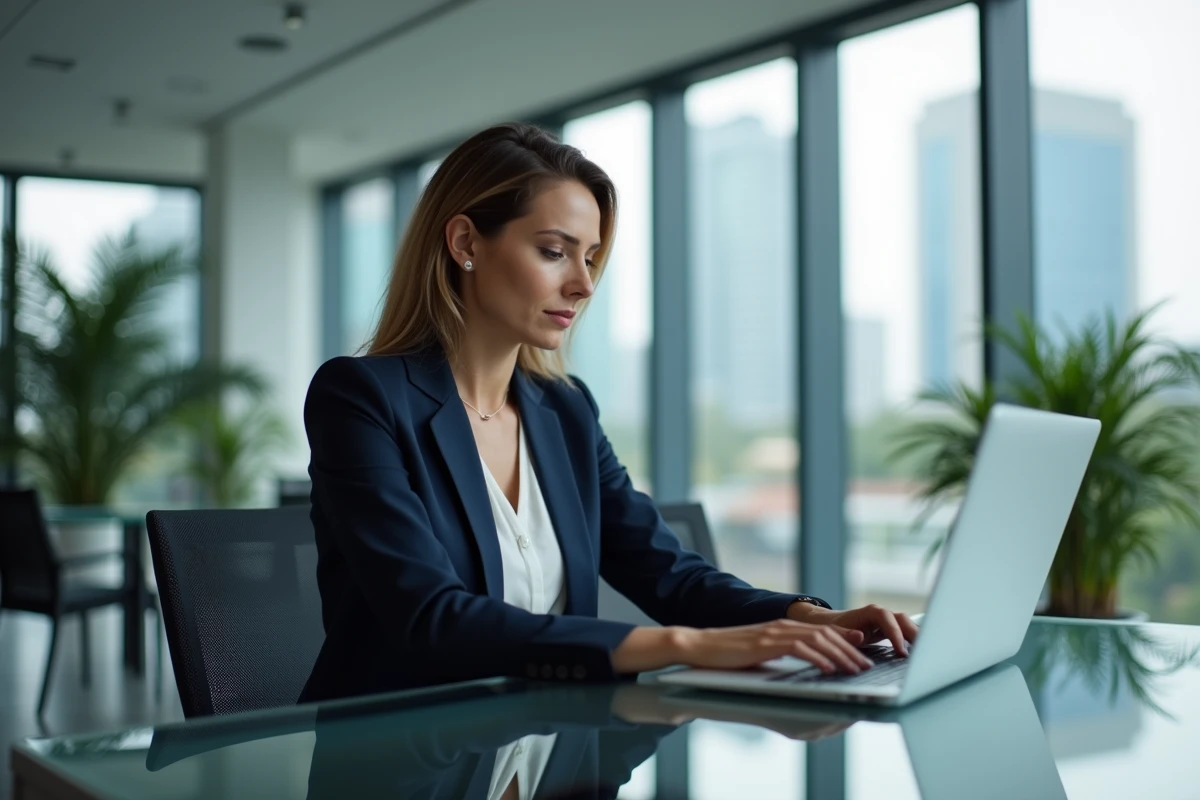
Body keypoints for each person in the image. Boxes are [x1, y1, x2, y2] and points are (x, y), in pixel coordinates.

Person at [299, 122, 919, 709]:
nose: (583, 284)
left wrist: (806, 616)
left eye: (590, 258)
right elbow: (430, 616)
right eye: (553, 252)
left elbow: (668, 575)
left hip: (548, 743)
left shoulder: (564, 411)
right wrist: (689, 646)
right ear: (465, 242)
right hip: (394, 762)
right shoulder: (360, 397)